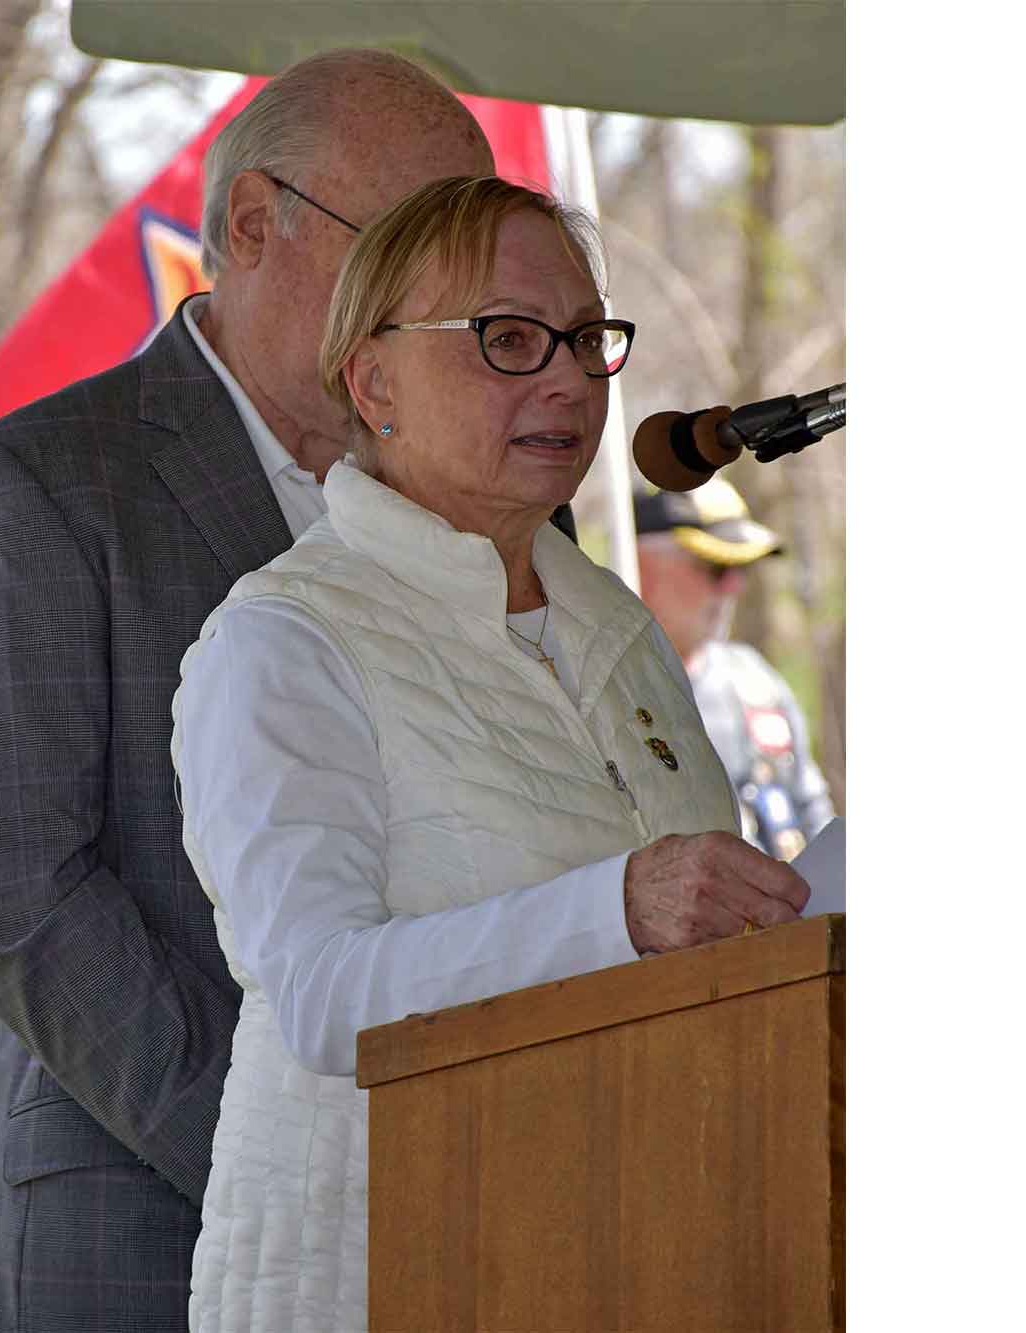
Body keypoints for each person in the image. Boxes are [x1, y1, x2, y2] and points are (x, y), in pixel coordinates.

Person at [171, 175, 811, 1333]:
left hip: (638, 1251)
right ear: (372, 383)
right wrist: (617, 909)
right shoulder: (282, 639)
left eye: (582, 339)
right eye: (506, 339)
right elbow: (319, 996)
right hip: (384, 1271)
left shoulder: (615, 627)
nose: (566, 376)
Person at [0, 50, 502, 1332]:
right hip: (142, 1205)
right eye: (411, 250)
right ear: (254, 226)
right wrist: (284, 1150)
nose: (452, 305)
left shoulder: (494, 511)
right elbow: (13, 893)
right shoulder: (44, 483)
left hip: (473, 1198)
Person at [634, 481, 837, 859]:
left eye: (740, 569)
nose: (734, 587)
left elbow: (816, 820)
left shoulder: (755, 681)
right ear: (640, 567)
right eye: (714, 567)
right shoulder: (606, 695)